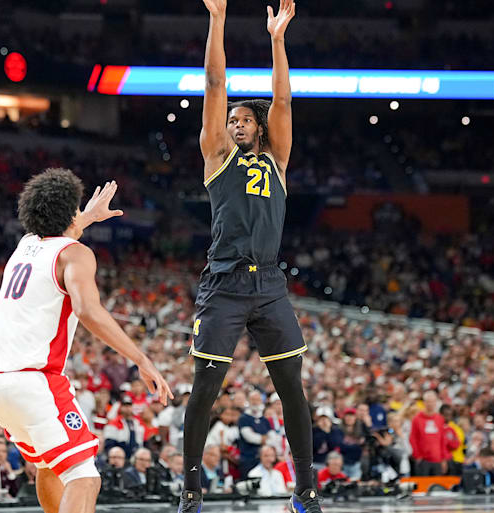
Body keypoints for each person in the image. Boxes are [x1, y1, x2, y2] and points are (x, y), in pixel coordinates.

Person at [181, 1, 318, 511]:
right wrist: (217, 19)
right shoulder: (217, 156)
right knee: (204, 389)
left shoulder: (277, 159)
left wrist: (277, 40)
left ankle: (305, 491)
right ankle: (191, 491)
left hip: (270, 286)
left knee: (292, 390)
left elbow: (283, 99)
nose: (235, 125)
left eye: (243, 120)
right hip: (224, 283)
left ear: (258, 126)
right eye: (231, 120)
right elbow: (215, 84)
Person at [0, 170, 172, 513]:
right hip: (35, 381)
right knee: (84, 477)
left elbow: (57, 228)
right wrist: (142, 359)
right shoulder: (76, 254)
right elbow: (87, 311)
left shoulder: (25, 245)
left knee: (50, 466)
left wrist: (86, 217)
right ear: (69, 214)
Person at [409, 391, 448, 476]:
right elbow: (413, 438)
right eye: (428, 401)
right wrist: (417, 455)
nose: (430, 404)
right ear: (424, 402)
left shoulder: (440, 419)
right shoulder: (417, 419)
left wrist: (443, 459)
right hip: (423, 460)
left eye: (432, 401)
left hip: (437, 459)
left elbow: (443, 440)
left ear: (436, 402)